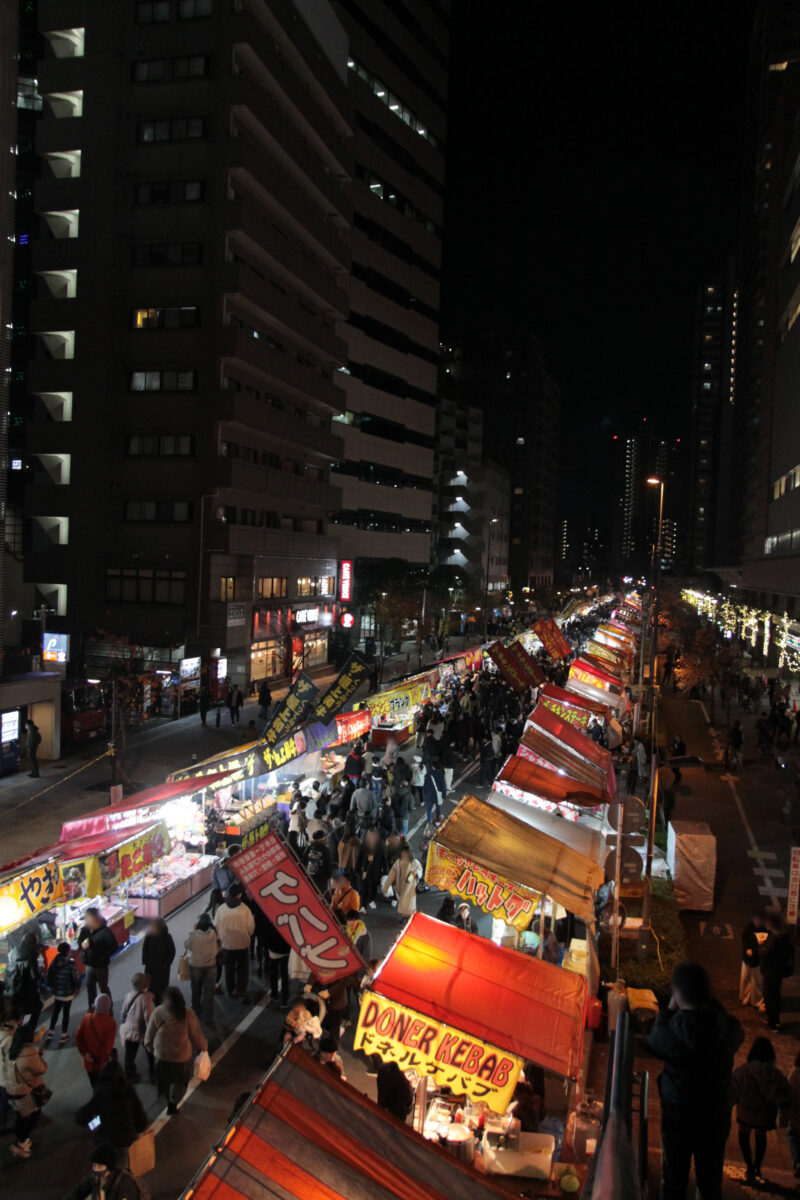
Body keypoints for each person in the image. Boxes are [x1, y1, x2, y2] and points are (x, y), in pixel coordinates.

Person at [646, 962, 743, 1200]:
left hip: (679, 1111)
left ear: (678, 993)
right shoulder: (725, 1028)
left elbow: (654, 1041)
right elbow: (737, 1030)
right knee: (710, 1181)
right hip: (716, 1113)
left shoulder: (672, 1033)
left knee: (674, 1178)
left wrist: (668, 1009)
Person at [732, 1035, 790, 1186]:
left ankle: (749, 1165)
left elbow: (733, 1087)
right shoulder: (775, 1074)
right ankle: (758, 1165)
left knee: (744, 1133)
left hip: (746, 1109)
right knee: (761, 1135)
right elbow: (785, 1092)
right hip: (765, 1111)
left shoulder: (744, 1070)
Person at [145, 986, 207, 1115]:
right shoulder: (187, 1014)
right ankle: (174, 1102)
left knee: (165, 1081)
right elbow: (196, 1035)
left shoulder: (158, 1013)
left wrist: (153, 1050)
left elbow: (148, 1037)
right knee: (180, 1081)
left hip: (161, 1056)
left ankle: (168, 1099)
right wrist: (204, 1047)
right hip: (181, 1057)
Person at [74, 1059, 147, 1156]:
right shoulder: (128, 1090)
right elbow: (141, 1117)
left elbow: (80, 1117)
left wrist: (93, 1124)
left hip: (105, 1140)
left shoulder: (101, 1092)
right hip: (127, 1140)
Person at [1, 1018, 47, 1158]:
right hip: (23, 1091)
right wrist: (39, 1056)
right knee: (31, 1115)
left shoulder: (13, 1048)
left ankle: (21, 1138)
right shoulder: (29, 1053)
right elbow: (42, 1069)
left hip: (12, 1088)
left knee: (23, 1114)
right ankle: (21, 1142)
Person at [62, 1143, 148, 1200]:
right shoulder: (94, 1176)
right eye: (94, 1166)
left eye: (99, 1166)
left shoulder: (126, 1184)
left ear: (109, 1167)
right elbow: (78, 1192)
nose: (95, 1169)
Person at [215, 883, 255, 1001]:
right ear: (239, 894)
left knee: (229, 969)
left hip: (227, 944)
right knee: (242, 969)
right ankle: (241, 990)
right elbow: (251, 928)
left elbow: (216, 926)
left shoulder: (221, 909)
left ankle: (230, 989)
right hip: (242, 944)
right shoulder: (245, 909)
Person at [77, 907, 118, 1006]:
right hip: (89, 964)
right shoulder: (85, 930)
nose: (87, 921)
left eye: (88, 918)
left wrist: (103, 956)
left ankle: (108, 1007)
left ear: (95, 919)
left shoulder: (105, 931)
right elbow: (79, 942)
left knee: (103, 987)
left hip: (101, 966)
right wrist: (82, 945)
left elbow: (114, 946)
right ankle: (92, 1007)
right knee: (90, 988)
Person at [760, 911, 794, 1032]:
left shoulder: (775, 939)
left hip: (771, 972)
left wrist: (761, 949)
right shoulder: (785, 937)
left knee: (770, 997)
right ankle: (776, 1020)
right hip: (779, 972)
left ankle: (772, 1023)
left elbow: (766, 954)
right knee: (776, 996)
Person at [184, 913, 220, 1024]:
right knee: (209, 992)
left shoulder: (193, 935)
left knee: (196, 988)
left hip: (196, 965)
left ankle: (196, 1009)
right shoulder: (214, 934)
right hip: (211, 965)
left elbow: (187, 945)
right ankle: (208, 1016)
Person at [75, 995, 117, 1088]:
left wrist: (85, 1054)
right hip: (102, 1064)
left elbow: (78, 1037)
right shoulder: (111, 1023)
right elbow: (107, 1048)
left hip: (89, 1062)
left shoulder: (87, 1018)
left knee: (94, 1086)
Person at [119, 973, 154, 1082]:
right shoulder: (147, 999)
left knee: (129, 1055)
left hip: (129, 1030)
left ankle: (130, 1075)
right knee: (150, 1053)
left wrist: (123, 1022)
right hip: (142, 1032)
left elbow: (123, 1013)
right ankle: (153, 1074)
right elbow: (149, 1018)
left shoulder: (128, 995)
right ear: (145, 987)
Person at [6, 931, 44, 1027]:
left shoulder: (14, 952)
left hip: (13, 990)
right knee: (38, 1006)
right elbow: (34, 976)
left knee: (18, 1012)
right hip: (26, 991)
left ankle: (18, 1030)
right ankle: (29, 1029)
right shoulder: (31, 955)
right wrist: (40, 970)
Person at [46, 941, 80, 1043]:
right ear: (68, 952)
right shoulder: (70, 964)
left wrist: (53, 987)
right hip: (67, 992)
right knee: (66, 1013)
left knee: (56, 1012)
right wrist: (77, 987)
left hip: (57, 992)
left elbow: (49, 976)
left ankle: (50, 1032)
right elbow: (75, 977)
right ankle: (63, 1035)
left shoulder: (54, 962)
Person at [141, 916, 175, 1005]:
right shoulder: (149, 936)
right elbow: (145, 949)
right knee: (150, 988)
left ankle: (160, 1005)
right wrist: (145, 962)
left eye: (153, 927)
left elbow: (172, 952)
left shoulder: (167, 937)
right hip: (150, 968)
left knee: (161, 989)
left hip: (162, 970)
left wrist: (166, 964)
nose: (152, 929)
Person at [382, 846, 423, 919]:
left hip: (410, 886)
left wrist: (416, 873)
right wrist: (386, 887)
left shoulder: (414, 862)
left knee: (409, 902)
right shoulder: (398, 862)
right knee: (403, 901)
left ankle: (408, 916)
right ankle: (406, 916)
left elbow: (420, 870)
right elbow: (391, 875)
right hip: (400, 885)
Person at [740, 911, 767, 1009]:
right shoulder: (750, 927)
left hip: (756, 958)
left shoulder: (753, 927)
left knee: (755, 981)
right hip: (751, 958)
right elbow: (745, 940)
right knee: (749, 979)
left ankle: (752, 999)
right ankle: (749, 997)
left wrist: (751, 950)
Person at [356, 828, 385, 910]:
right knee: (364, 889)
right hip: (364, 872)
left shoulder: (381, 847)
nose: (371, 838)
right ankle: (363, 906)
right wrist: (358, 872)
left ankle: (371, 899)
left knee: (373, 888)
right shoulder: (363, 846)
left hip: (376, 872)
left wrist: (385, 873)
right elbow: (359, 859)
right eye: (369, 836)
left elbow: (384, 860)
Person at [787, 1048, 800, 1178]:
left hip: (796, 1116)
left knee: (793, 1137)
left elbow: (789, 1095)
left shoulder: (795, 1074)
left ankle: (797, 1161)